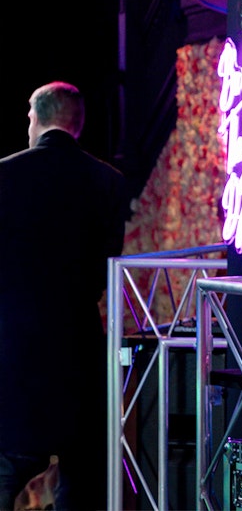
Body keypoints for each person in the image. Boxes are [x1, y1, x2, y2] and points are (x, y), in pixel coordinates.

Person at [0, 81, 130, 511]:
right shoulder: (108, 181)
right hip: (79, 348)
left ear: (35, 118)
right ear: (78, 123)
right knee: (82, 478)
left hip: (14, 351)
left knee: (6, 473)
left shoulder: (5, 173)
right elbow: (105, 268)